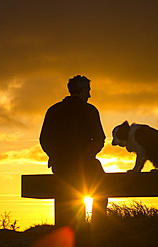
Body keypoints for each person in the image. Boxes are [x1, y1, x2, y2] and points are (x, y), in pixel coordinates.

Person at [40, 75, 107, 227]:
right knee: (104, 188)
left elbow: (44, 139)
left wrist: (55, 156)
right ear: (82, 90)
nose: (89, 95)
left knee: (65, 196)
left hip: (60, 166)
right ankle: (98, 225)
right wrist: (86, 157)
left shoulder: (54, 110)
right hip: (86, 165)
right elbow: (99, 140)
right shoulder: (89, 110)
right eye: (88, 91)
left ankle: (67, 227)